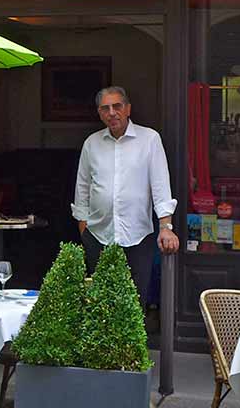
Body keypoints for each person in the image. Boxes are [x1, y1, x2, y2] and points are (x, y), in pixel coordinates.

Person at [71, 86, 178, 308]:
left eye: (117, 106)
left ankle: (133, 345)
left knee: (133, 304)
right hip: (99, 234)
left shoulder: (149, 139)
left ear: (128, 109)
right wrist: (83, 227)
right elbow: (83, 186)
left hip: (138, 235)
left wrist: (165, 227)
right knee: (100, 304)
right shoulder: (92, 143)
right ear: (99, 113)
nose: (112, 113)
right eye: (105, 108)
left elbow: (160, 185)